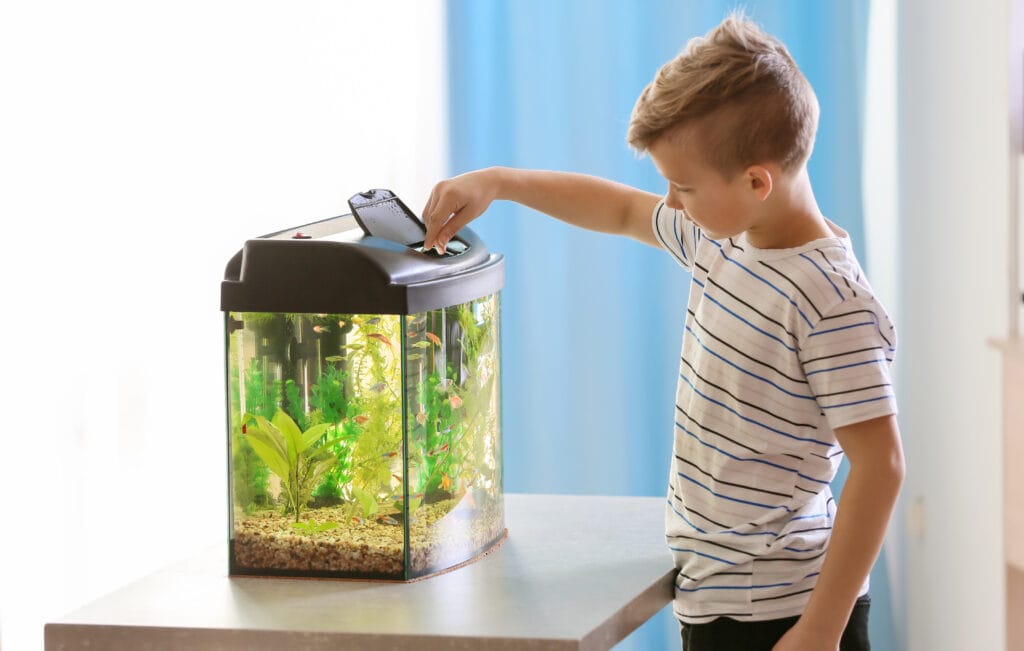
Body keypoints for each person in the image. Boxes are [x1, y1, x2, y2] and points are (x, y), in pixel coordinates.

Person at [421, 14, 904, 651]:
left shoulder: (830, 299)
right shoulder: (723, 241)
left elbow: (882, 466)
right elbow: (621, 209)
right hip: (713, 597)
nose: (671, 204)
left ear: (757, 181)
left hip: (785, 614)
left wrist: (820, 629)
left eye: (682, 186)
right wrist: (500, 183)